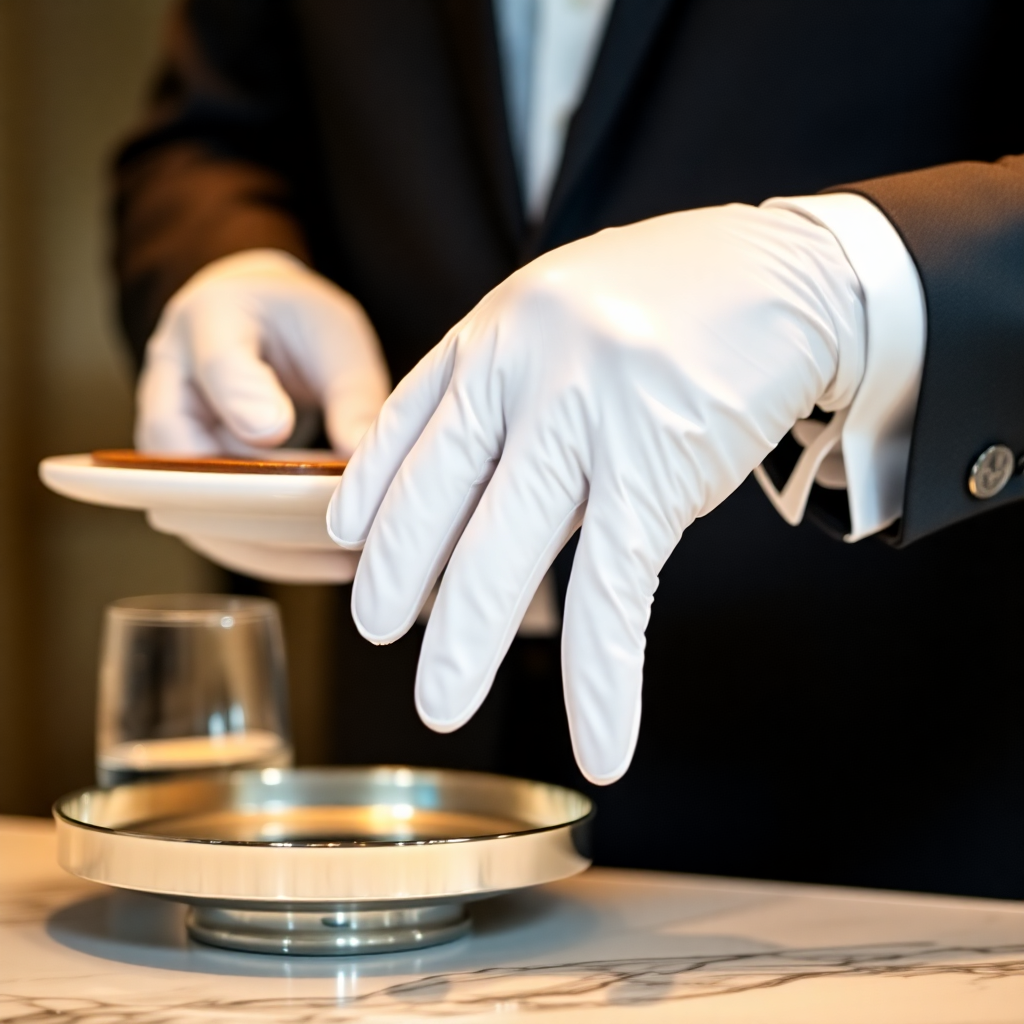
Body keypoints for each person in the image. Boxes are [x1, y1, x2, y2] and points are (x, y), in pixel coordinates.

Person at [115, 0, 1024, 898]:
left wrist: (842, 283)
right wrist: (227, 262)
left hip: (897, 806)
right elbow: (212, 134)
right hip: (411, 787)